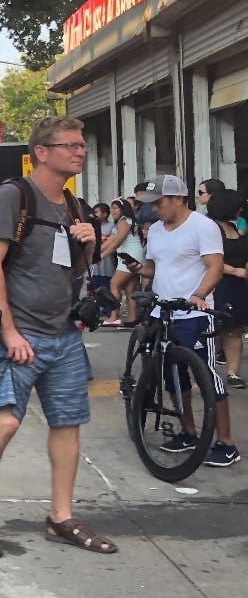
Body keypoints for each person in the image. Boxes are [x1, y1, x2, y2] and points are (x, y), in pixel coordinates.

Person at [0, 117, 117, 558]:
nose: (80, 152)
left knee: (67, 425)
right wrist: (8, 331)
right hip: (19, 333)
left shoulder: (75, 206)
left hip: (63, 334)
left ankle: (60, 517)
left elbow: (75, 272)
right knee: (5, 419)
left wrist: (87, 243)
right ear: (41, 152)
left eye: (82, 145)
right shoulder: (13, 196)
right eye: (70, 145)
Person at [126, 175, 240, 466]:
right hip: (161, 312)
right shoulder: (156, 232)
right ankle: (188, 431)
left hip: (194, 315)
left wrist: (198, 295)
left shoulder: (203, 227)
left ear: (179, 198)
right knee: (174, 379)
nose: (154, 210)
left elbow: (214, 267)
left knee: (207, 376)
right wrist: (139, 268)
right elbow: (155, 268)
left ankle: (225, 443)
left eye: (159, 203)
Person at [205, 190, 248, 389]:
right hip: (218, 284)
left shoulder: (234, 226)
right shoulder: (209, 228)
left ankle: (233, 373)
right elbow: (207, 259)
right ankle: (206, 370)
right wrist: (236, 271)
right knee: (215, 328)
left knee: (235, 329)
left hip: (239, 286)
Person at [101, 198, 143, 326]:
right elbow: (109, 242)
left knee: (114, 283)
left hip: (131, 255)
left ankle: (114, 316)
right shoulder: (119, 222)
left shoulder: (124, 221)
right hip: (127, 255)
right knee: (130, 289)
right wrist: (97, 253)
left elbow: (116, 242)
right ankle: (133, 319)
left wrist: (101, 256)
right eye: (111, 208)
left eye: (115, 208)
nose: (112, 211)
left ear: (123, 209)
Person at [87, 203, 116, 302]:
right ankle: (96, 307)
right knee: (94, 285)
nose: (94, 215)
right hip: (94, 262)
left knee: (105, 285)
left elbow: (112, 241)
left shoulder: (112, 226)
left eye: (96, 212)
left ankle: (107, 308)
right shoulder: (92, 226)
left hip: (106, 260)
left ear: (105, 214)